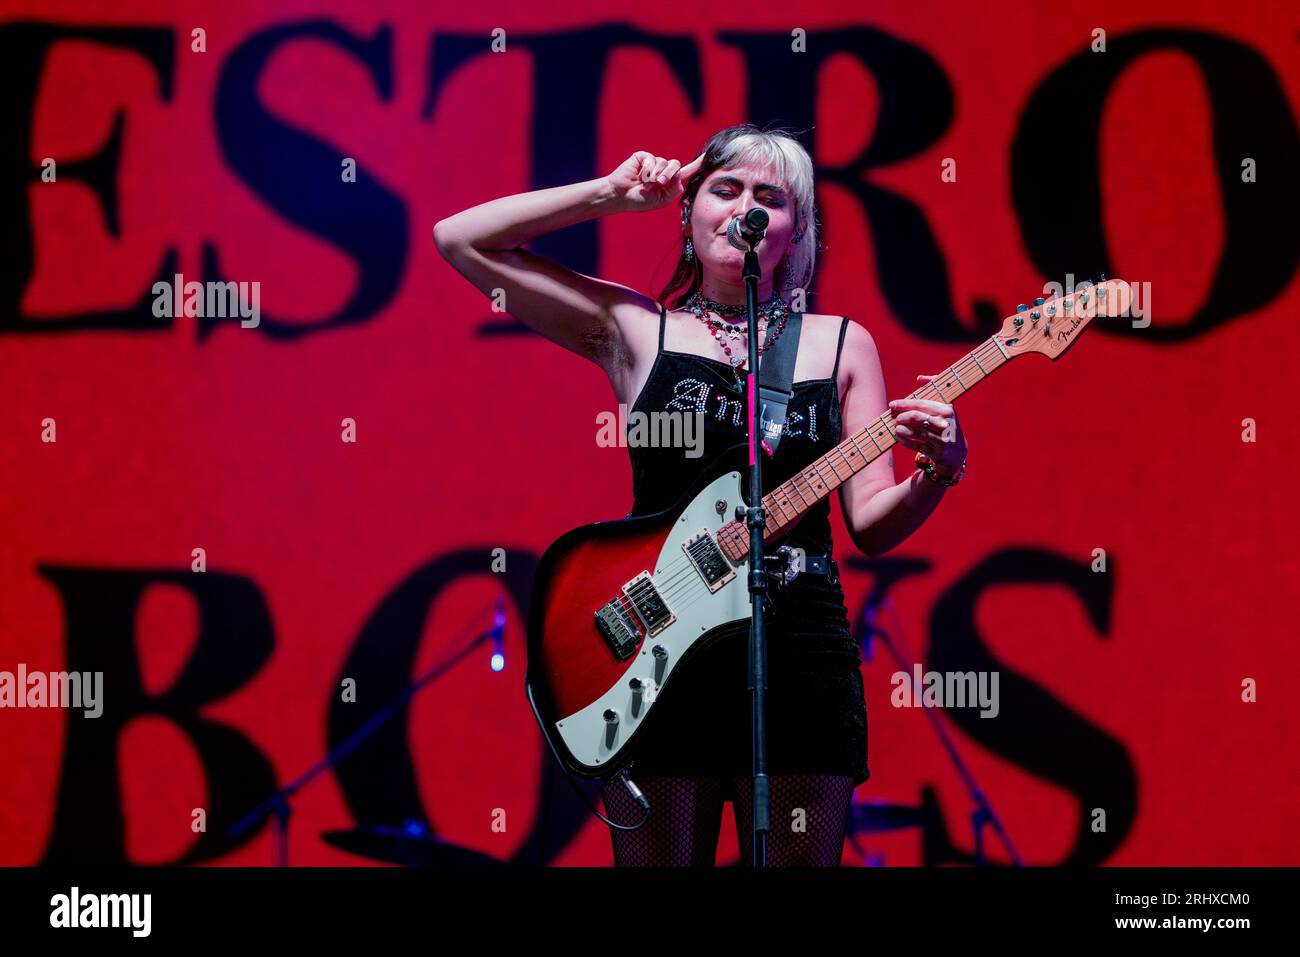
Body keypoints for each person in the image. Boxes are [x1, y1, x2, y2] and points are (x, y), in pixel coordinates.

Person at [433, 123, 967, 866]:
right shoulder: (633, 329)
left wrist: (936, 470)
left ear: (795, 229)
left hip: (799, 651)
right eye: (725, 188)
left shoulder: (843, 345)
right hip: (660, 648)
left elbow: (872, 522)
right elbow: (461, 240)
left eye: (769, 197)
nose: (745, 208)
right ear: (687, 210)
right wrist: (611, 195)